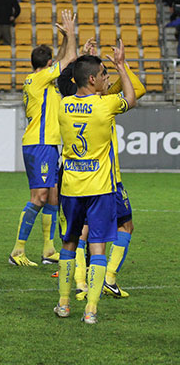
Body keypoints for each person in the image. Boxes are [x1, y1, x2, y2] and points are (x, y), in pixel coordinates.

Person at [57, 37, 146, 300]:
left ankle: (79, 286)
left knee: (77, 234)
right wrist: (121, 66)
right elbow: (134, 93)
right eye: (102, 75)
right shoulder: (105, 103)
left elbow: (67, 82)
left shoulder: (67, 103)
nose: (107, 79)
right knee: (123, 226)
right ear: (93, 79)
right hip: (105, 179)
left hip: (74, 179)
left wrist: (85, 60)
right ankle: (106, 279)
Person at [8, 10, 76, 267]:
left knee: (54, 197)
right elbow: (69, 59)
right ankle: (17, 250)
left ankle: (48, 250)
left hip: (47, 144)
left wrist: (61, 41)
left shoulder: (40, 79)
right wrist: (70, 34)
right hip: (39, 144)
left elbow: (62, 59)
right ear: (48, 65)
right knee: (39, 197)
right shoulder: (38, 80)